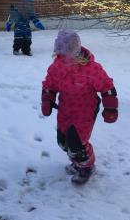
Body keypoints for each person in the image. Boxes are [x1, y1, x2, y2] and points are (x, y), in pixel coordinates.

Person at [41, 30, 118, 185]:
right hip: (66, 109)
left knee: (77, 144)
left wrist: (110, 108)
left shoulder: (91, 69)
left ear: (75, 52)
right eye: (60, 54)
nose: (63, 58)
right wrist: (47, 99)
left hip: (86, 110)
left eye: (66, 54)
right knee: (63, 142)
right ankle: (77, 161)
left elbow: (106, 86)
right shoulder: (56, 67)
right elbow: (49, 84)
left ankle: (86, 166)